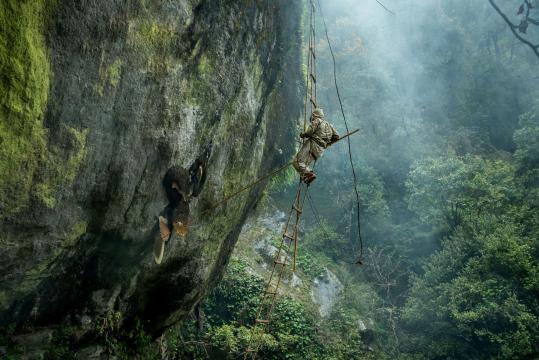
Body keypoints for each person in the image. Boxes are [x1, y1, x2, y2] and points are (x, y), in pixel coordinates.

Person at [293, 108, 339, 184]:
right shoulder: (329, 125)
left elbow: (308, 132)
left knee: (296, 162)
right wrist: (328, 143)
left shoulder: (317, 121)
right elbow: (337, 136)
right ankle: (307, 176)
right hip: (320, 150)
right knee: (304, 164)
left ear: (315, 115)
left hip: (312, 144)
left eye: (313, 115)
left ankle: (310, 174)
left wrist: (302, 135)